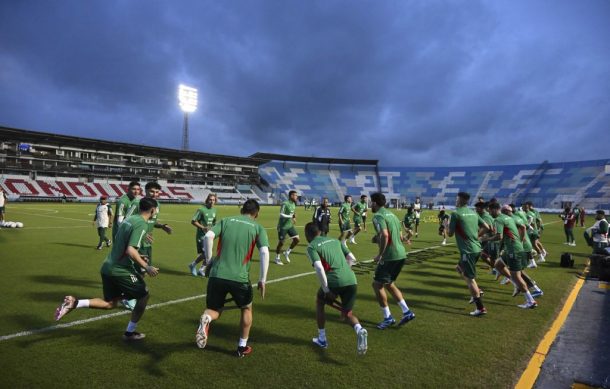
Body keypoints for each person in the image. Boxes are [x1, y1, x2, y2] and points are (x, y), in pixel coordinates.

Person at [54, 197, 161, 340]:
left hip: (107, 267)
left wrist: (138, 255)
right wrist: (146, 266)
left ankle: (75, 303)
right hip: (120, 270)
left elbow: (121, 244)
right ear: (153, 210)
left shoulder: (130, 220)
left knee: (110, 304)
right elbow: (130, 250)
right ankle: (129, 332)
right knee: (144, 296)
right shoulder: (142, 223)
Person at [195, 199, 270, 358]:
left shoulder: (226, 220)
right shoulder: (257, 227)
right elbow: (264, 252)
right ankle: (242, 347)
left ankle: (206, 318)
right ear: (256, 213)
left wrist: (208, 262)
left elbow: (208, 236)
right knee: (246, 308)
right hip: (240, 278)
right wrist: (262, 279)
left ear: (242, 209)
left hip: (217, 274)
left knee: (214, 310)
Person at [305, 222, 368, 355]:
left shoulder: (311, 247)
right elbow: (352, 258)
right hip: (351, 279)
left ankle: (322, 339)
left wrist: (327, 290)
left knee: (320, 301)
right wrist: (346, 271)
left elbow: (319, 268)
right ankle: (359, 329)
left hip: (334, 280)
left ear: (307, 235)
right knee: (346, 314)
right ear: (320, 232)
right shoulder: (335, 240)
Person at [121, 182, 172, 310]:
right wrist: (142, 235)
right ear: (146, 191)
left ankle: (127, 293)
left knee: (142, 271)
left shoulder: (157, 205)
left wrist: (162, 226)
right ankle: (128, 297)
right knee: (138, 270)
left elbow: (151, 220)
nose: (154, 194)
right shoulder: (137, 204)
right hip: (137, 243)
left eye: (157, 192)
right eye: (151, 192)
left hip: (147, 243)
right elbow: (126, 222)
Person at [370, 192, 415, 329]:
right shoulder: (393, 215)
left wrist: (380, 254)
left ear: (375, 203)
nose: (370, 205)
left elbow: (385, 234)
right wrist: (376, 238)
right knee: (389, 284)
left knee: (377, 285)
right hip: (401, 254)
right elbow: (399, 237)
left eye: (371, 202)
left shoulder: (378, 216)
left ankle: (387, 317)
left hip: (390, 255)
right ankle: (406, 311)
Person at [485, 203, 539, 309]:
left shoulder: (499, 220)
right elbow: (523, 227)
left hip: (513, 250)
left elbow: (499, 236)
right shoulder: (509, 217)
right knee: (498, 265)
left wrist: (486, 239)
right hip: (511, 249)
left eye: (490, 211)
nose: (489, 213)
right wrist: (521, 239)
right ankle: (517, 286)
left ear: (495, 210)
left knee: (516, 276)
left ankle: (530, 301)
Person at [447, 192, 490, 316]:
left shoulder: (455, 214)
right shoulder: (473, 212)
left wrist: (445, 225)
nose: (455, 200)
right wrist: (476, 236)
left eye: (456, 198)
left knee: (470, 279)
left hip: (468, 251)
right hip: (476, 248)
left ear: (460, 200)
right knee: (459, 268)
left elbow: (450, 234)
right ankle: (478, 291)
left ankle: (480, 307)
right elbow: (486, 226)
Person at [188, 193, 218, 276]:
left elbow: (214, 222)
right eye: (210, 200)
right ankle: (192, 265)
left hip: (210, 235)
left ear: (215, 201)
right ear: (207, 200)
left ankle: (201, 270)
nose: (212, 201)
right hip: (201, 236)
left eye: (213, 200)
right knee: (206, 254)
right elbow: (193, 221)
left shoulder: (215, 210)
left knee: (209, 253)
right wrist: (202, 227)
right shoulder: (201, 209)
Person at [275, 190, 300, 265]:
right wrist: (291, 216)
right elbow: (281, 214)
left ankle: (287, 252)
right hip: (282, 227)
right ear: (291, 196)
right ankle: (277, 258)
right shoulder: (285, 204)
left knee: (297, 240)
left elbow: (293, 212)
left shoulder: (293, 204)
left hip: (290, 225)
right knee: (281, 243)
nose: (296, 197)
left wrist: (294, 218)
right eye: (295, 195)